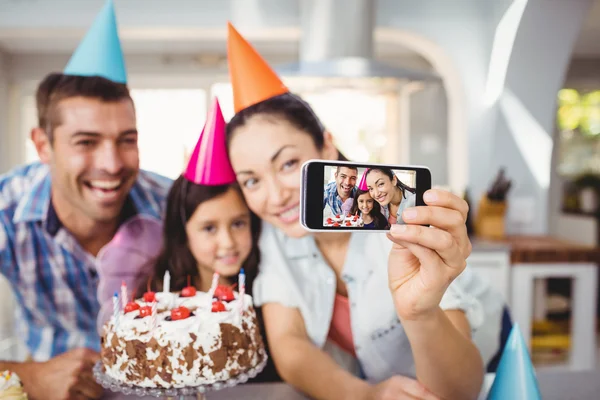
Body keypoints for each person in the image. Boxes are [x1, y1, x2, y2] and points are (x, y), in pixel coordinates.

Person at [225, 23, 505, 400]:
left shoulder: (397, 224)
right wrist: (364, 396)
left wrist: (420, 313)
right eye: (252, 181)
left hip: (484, 358)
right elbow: (289, 345)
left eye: (289, 163)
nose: (275, 196)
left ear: (326, 146)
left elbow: (460, 392)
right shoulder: (276, 233)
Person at [0, 2, 171, 399]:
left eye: (126, 140)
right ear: (43, 145)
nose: (111, 165)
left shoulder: (173, 206)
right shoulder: (7, 211)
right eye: (86, 142)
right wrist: (29, 375)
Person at [105, 99, 279, 382]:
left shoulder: (270, 293)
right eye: (209, 228)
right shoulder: (158, 304)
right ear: (182, 233)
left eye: (238, 223)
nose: (227, 242)